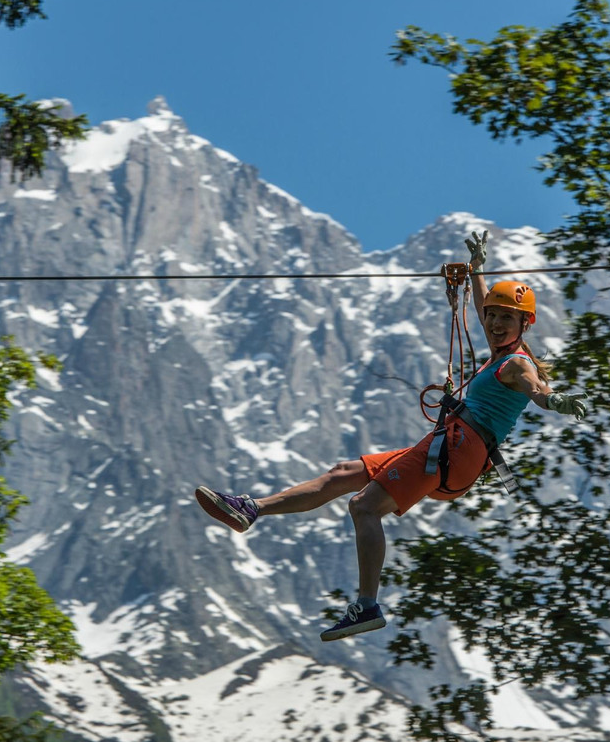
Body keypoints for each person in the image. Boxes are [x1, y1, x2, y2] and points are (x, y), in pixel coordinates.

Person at [194, 231, 588, 642]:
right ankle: (251, 509)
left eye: (507, 318)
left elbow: (534, 387)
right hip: (452, 446)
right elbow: (483, 302)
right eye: (492, 316)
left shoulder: (516, 365)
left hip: (458, 451)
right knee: (344, 473)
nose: (494, 323)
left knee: (364, 506)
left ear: (525, 324)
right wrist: (477, 270)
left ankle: (367, 605)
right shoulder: (499, 352)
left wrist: (554, 399)